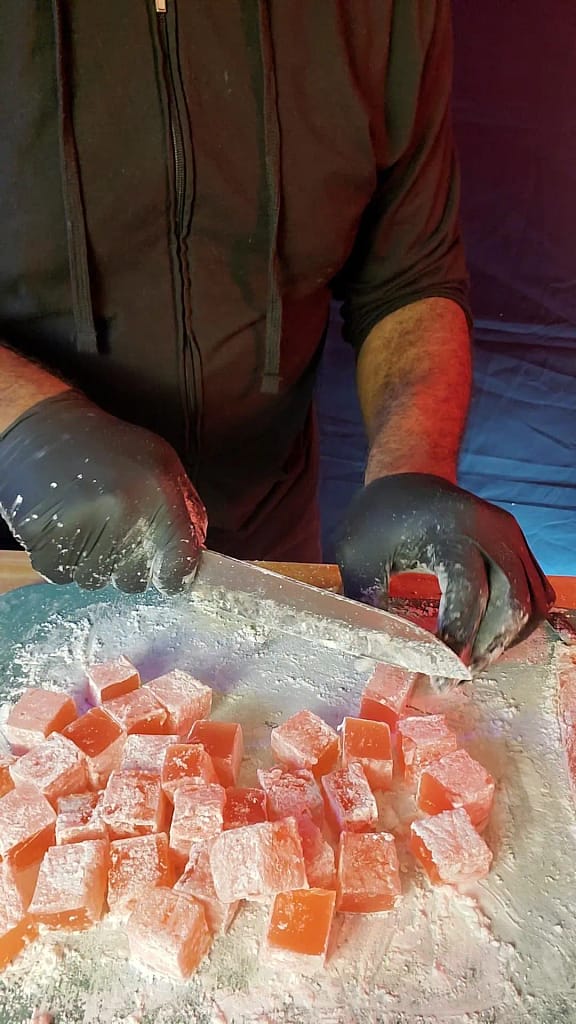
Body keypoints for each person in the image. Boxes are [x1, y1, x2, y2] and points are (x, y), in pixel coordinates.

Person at [0, 1, 553, 671]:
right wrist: (25, 423)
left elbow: (412, 278)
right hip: (22, 530)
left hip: (264, 535)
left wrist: (413, 465)